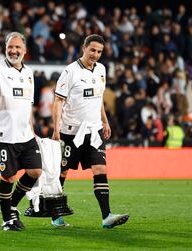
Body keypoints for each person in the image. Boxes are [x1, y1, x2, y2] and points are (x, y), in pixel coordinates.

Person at [52, 34, 129, 229]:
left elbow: (98, 99)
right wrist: (56, 129)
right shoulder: (70, 72)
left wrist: (105, 121)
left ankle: (107, 216)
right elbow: (58, 101)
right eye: (92, 50)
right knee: (62, 172)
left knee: (100, 170)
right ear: (84, 48)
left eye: (99, 51)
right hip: (71, 132)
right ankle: (55, 214)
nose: (95, 55)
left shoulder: (101, 70)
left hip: (94, 132)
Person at [0, 32, 42, 231]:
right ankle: (7, 219)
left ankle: (12, 205)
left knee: (35, 171)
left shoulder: (29, 73)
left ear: (25, 51)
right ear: (5, 49)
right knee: (8, 177)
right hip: (4, 135)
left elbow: (28, 106)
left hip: (25, 134)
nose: (13, 51)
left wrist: (33, 130)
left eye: (17, 48)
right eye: (10, 48)